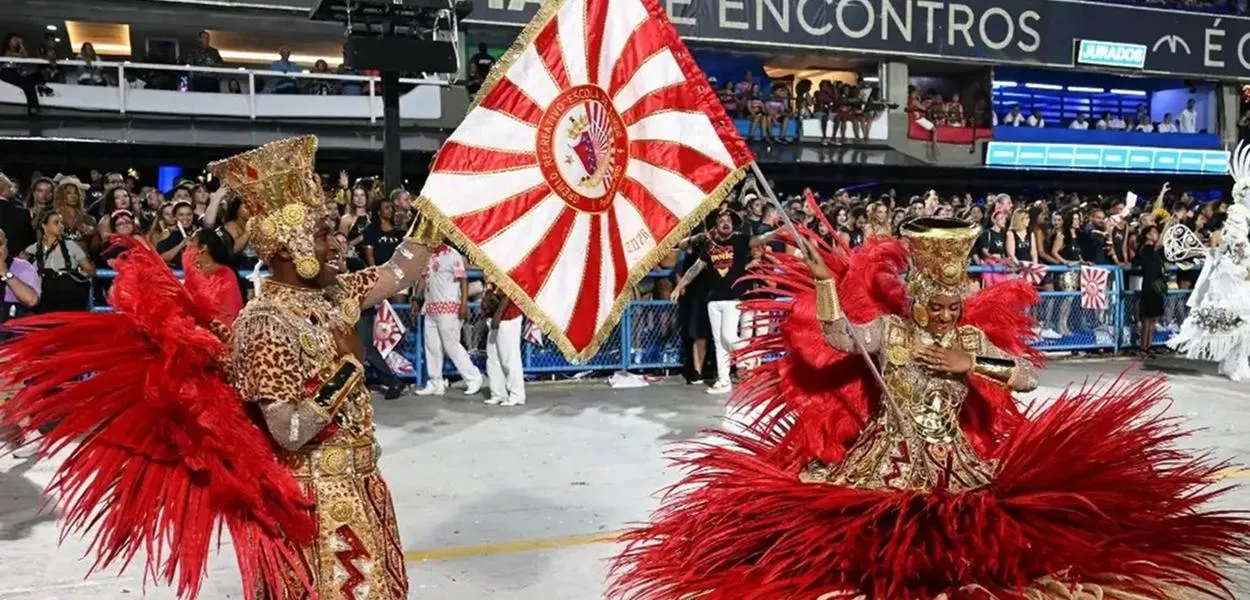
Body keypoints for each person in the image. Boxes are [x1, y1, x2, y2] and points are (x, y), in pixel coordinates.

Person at [609, 218, 1250, 599]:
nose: (944, 316)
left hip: (954, 457)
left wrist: (979, 366)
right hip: (885, 454)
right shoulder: (892, 332)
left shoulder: (969, 338)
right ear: (915, 300)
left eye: (951, 307)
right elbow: (838, 339)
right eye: (934, 307)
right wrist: (828, 284)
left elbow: (1025, 377)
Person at [0, 136, 444, 600]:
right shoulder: (265, 324)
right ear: (292, 247)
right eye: (321, 234)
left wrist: (440, 205)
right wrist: (348, 369)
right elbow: (289, 430)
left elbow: (400, 270)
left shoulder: (337, 293)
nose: (336, 243)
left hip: (362, 487)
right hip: (314, 504)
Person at [669, 208, 778, 395]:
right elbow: (696, 268)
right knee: (719, 342)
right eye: (722, 220)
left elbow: (761, 239)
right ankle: (723, 380)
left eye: (729, 220)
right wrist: (679, 287)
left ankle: (750, 354)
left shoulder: (740, 240)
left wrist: (780, 231)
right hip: (713, 300)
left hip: (732, 299)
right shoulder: (710, 246)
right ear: (716, 225)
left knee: (728, 337)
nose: (726, 223)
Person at [1168, 148, 1250, 379]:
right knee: (1238, 320)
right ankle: (1232, 365)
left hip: (1240, 273)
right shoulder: (1237, 214)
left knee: (1244, 323)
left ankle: (1237, 364)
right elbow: (1235, 244)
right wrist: (1243, 264)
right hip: (1232, 275)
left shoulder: (1244, 215)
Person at [414, 238, 482, 397]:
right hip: (430, 307)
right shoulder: (427, 256)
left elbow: (463, 280)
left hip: (449, 307)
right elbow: (423, 279)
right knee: (432, 346)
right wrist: (416, 299)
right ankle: (435, 382)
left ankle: (473, 377)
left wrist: (464, 304)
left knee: (451, 345)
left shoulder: (453, 255)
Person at [182, 227, 244, 325]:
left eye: (192, 240)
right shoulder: (192, 273)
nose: (187, 244)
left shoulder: (225, 274)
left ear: (203, 247)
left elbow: (230, 313)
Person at [483, 281, 525, 406]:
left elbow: (510, 291)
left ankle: (517, 395)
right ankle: (498, 394)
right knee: (493, 358)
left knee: (509, 358)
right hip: (494, 316)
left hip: (508, 317)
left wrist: (498, 314)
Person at [1135, 224, 1166, 356]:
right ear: (1147, 235)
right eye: (1153, 232)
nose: (1156, 235)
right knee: (1147, 318)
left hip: (1157, 284)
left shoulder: (1156, 251)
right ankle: (1143, 346)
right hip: (1149, 284)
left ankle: (1149, 344)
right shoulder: (1145, 249)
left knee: (1154, 318)